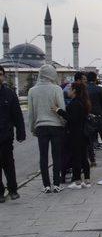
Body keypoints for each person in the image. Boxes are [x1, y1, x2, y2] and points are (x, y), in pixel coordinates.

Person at [28, 64, 66, 193]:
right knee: (56, 156)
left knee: (43, 156)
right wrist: (63, 123)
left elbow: (31, 112)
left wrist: (33, 127)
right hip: (56, 126)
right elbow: (61, 108)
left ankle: (46, 185)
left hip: (41, 127)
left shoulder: (32, 91)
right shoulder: (57, 89)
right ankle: (56, 183)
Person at [54, 82, 91, 189]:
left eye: (70, 89)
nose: (68, 91)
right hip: (83, 133)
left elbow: (72, 119)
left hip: (75, 134)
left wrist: (58, 110)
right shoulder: (83, 101)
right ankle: (87, 181)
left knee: (76, 157)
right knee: (84, 157)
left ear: (74, 90)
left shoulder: (75, 103)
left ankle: (77, 181)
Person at [0, 66, 26, 201]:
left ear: (3, 76)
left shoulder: (9, 94)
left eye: (0, 74)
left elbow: (17, 115)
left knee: (8, 163)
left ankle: (13, 189)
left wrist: (21, 132)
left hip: (5, 136)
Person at [86, 71, 102, 167]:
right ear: (95, 79)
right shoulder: (99, 89)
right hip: (99, 117)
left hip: (88, 117)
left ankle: (92, 160)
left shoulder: (84, 89)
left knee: (89, 140)